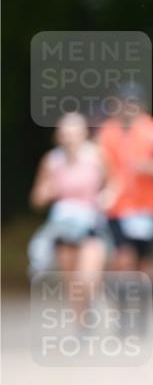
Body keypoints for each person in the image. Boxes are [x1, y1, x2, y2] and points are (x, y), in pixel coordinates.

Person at [98, 82, 153, 285]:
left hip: (148, 206)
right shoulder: (106, 131)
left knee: (145, 260)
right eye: (123, 103)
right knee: (122, 255)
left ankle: (145, 297)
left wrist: (150, 167)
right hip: (116, 206)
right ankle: (123, 300)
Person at [29, 112, 108, 294]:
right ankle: (83, 320)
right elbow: (36, 199)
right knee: (73, 283)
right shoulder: (51, 160)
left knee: (88, 278)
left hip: (91, 223)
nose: (69, 138)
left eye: (74, 133)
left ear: (84, 133)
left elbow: (114, 183)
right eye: (65, 134)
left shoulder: (97, 156)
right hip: (63, 226)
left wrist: (107, 196)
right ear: (58, 136)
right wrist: (47, 192)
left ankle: (95, 301)